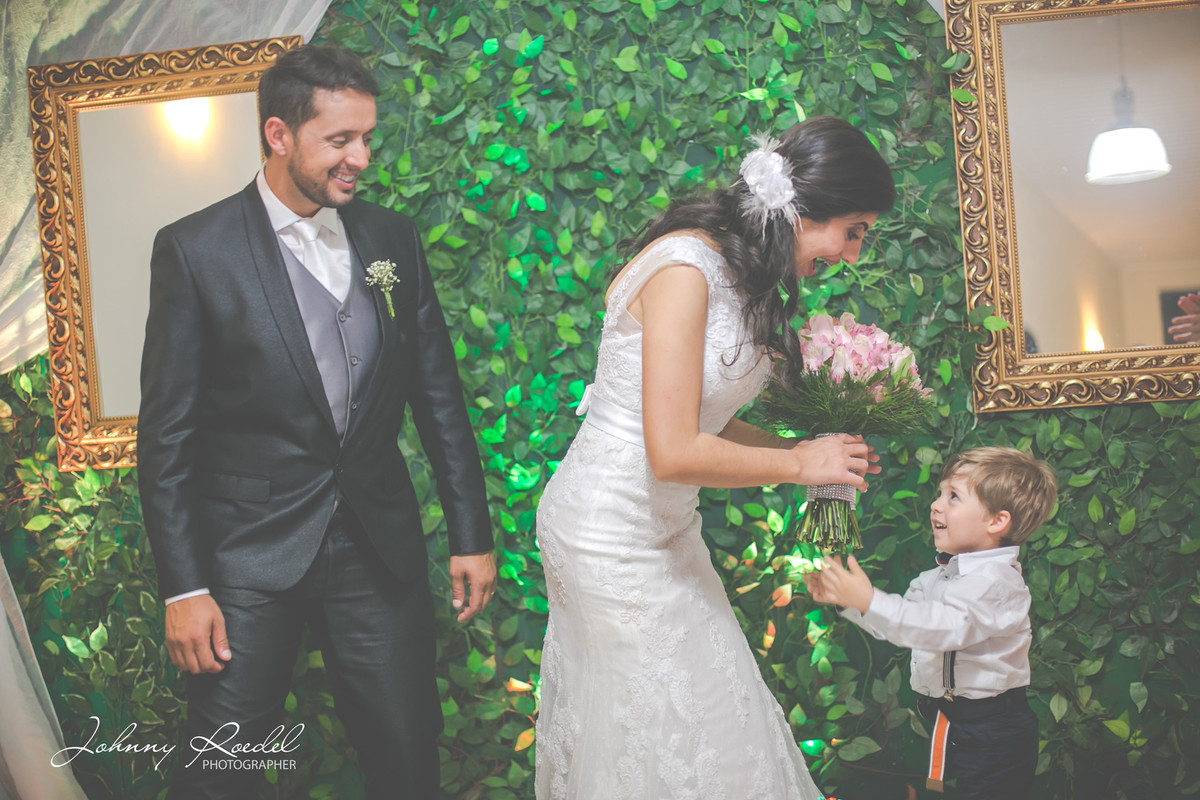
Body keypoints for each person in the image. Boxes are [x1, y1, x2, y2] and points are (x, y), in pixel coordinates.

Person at [137, 44, 495, 799]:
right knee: (222, 774)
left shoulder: (391, 238)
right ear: (278, 135)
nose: (360, 158)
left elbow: (438, 397)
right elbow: (166, 438)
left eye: (366, 137)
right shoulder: (195, 250)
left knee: (406, 761)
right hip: (247, 558)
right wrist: (183, 589)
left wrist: (471, 533)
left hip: (376, 549)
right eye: (340, 140)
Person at [534, 117, 895, 798]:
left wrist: (808, 453)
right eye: (853, 231)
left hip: (668, 530)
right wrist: (800, 466)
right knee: (666, 731)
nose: (852, 254)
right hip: (606, 534)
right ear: (804, 209)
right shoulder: (683, 269)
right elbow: (672, 452)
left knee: (717, 722)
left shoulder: (737, 274)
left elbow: (708, 423)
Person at [804, 446, 1057, 800]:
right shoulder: (934, 578)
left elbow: (943, 628)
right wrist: (849, 602)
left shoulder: (998, 583)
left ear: (996, 521)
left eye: (953, 496)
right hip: (949, 722)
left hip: (994, 732)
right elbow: (904, 625)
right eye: (939, 493)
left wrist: (869, 600)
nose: (936, 505)